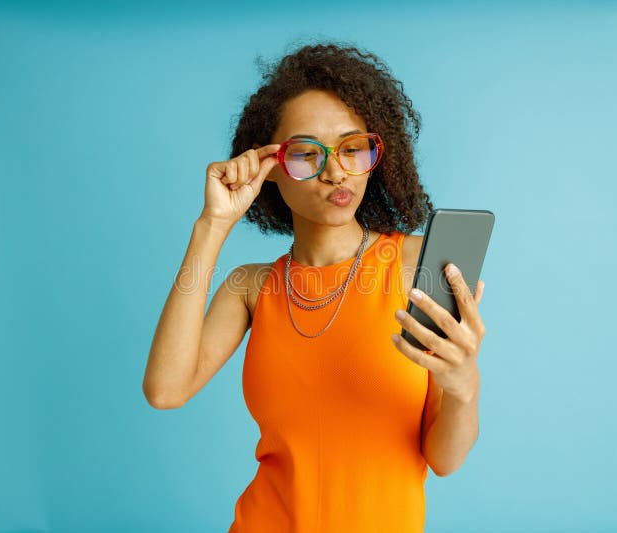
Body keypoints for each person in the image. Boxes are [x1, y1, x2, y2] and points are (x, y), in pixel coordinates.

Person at [143, 42, 487, 533]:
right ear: (271, 169)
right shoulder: (250, 287)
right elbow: (165, 390)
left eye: (353, 148)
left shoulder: (418, 265)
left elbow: (444, 459)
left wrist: (464, 386)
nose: (335, 171)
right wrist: (213, 225)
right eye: (306, 154)